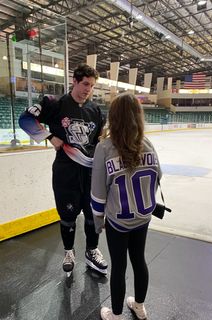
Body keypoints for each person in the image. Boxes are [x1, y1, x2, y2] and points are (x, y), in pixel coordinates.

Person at [19, 64, 108, 276]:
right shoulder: (54, 104)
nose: (88, 89)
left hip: (90, 173)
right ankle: (69, 252)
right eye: (85, 84)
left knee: (93, 215)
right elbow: (25, 119)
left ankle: (92, 250)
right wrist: (50, 137)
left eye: (92, 86)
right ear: (74, 82)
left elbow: (99, 141)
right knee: (67, 216)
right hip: (65, 172)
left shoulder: (95, 111)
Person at [91, 93, 162, 320]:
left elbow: (98, 193)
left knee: (119, 267)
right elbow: (157, 175)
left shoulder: (104, 147)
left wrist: (98, 221)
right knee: (139, 260)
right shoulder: (148, 144)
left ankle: (117, 314)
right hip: (143, 217)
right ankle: (139, 307)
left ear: (114, 117)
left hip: (118, 221)